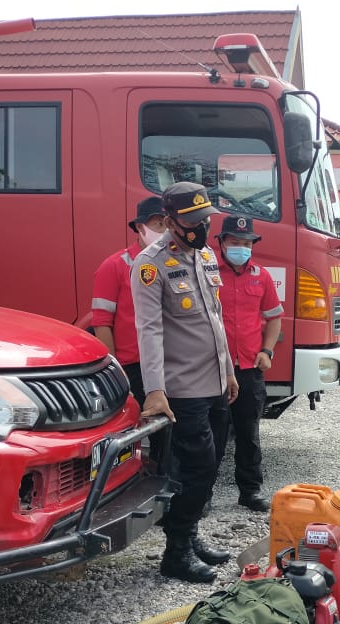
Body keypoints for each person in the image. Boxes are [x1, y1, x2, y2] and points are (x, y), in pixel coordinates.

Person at [133, 181, 239, 583]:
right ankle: (175, 551)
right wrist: (155, 390)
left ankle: (189, 534)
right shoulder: (150, 264)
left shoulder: (206, 254)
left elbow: (214, 318)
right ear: (169, 221)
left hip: (214, 381)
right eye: (193, 220)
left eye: (206, 218)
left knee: (210, 469)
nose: (202, 226)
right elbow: (149, 329)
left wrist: (228, 371)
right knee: (199, 467)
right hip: (182, 389)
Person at [92, 196, 170, 466]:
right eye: (157, 224)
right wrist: (115, 372)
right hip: (132, 365)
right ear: (140, 228)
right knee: (132, 430)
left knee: (169, 433)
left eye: (166, 224)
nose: (163, 230)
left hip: (167, 362)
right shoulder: (114, 266)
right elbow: (102, 322)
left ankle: (165, 482)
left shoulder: (173, 264)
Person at [214, 215, 284, 512]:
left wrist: (267, 350)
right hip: (213, 368)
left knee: (248, 432)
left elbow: (274, 318)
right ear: (221, 243)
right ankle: (202, 494)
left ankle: (250, 491)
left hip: (249, 370)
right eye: (235, 243)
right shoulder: (207, 273)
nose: (241, 248)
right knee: (212, 434)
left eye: (246, 243)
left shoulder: (262, 276)